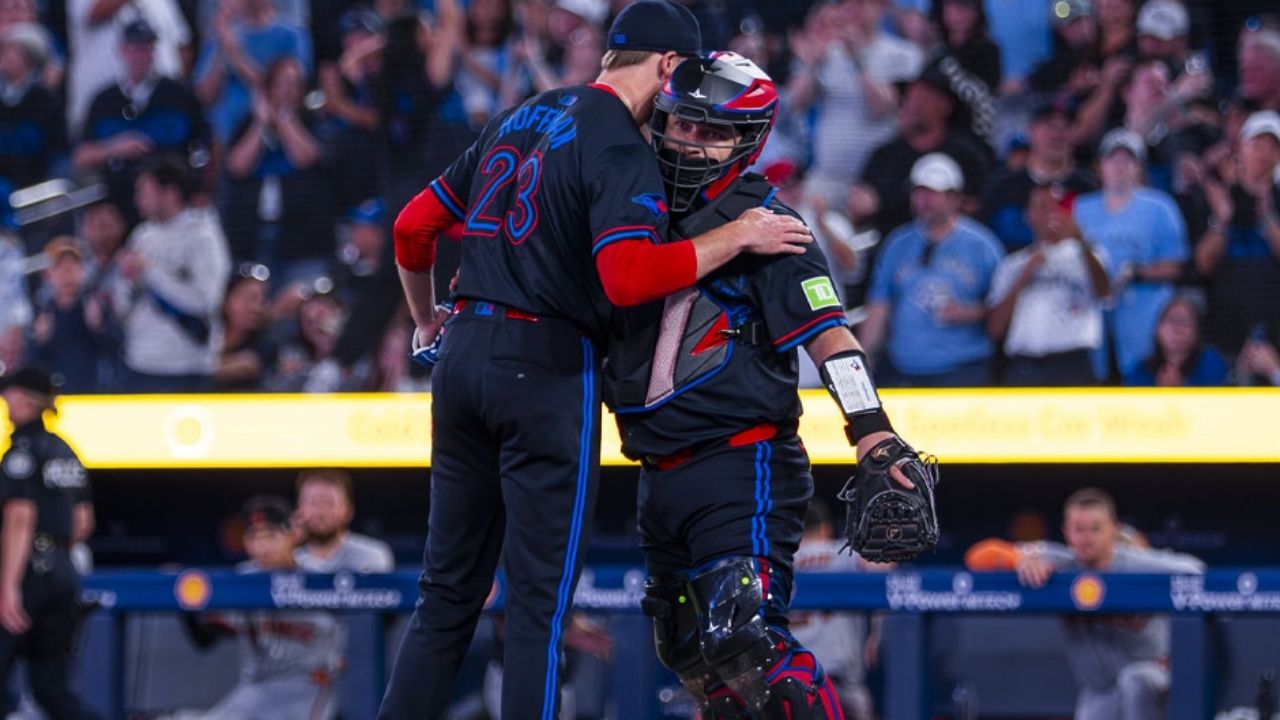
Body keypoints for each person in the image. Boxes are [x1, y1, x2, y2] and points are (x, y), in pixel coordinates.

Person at [379, 2, 813, 716]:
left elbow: (413, 225)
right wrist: (735, 236)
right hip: (544, 366)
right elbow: (629, 277)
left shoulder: (522, 115)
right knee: (538, 610)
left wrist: (428, 320)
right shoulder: (620, 143)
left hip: (461, 361)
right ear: (670, 65)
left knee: (444, 596)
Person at [607, 51, 920, 719]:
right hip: (656, 472)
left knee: (749, 642)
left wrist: (872, 430)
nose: (692, 141)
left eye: (713, 131)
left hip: (739, 457)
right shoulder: (627, 209)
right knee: (695, 658)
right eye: (684, 124)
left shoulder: (773, 227)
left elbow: (830, 334)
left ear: (745, 142)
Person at [968, 488, 1204, 720]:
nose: (1087, 537)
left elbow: (1196, 571)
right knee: (1103, 696)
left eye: (1096, 528)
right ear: (1066, 532)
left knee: (1135, 680)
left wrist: (1175, 654)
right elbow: (978, 556)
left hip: (1151, 679)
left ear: (1113, 528)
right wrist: (1019, 560)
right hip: (1098, 692)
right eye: (1079, 529)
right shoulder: (1060, 562)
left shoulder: (1138, 563)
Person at [181, 496, 340, 720]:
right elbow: (205, 638)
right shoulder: (243, 578)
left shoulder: (321, 578)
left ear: (291, 535)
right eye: (254, 537)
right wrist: (182, 602)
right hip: (255, 688)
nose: (261, 546)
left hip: (308, 686)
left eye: (271, 536)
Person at [0, 366, 98, 720]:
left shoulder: (22, 451)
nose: (4, 400)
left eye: (9, 393)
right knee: (52, 690)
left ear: (26, 398)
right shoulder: (66, 450)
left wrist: (9, 586)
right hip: (64, 572)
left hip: (29, 573)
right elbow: (83, 523)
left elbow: (19, 518)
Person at [858, 152, 1004, 387]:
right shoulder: (898, 243)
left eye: (932, 193)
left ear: (955, 198)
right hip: (904, 368)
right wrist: (864, 360)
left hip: (963, 367)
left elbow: (1002, 308)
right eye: (918, 191)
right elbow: (879, 305)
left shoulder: (982, 245)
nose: (923, 199)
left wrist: (969, 313)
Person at [1074, 128, 1188, 379]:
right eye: (1112, 159)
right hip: (1092, 317)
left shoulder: (1160, 207)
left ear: (1138, 167)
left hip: (1144, 314)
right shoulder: (1080, 209)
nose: (1119, 166)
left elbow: (1176, 267)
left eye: (1128, 160)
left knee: (1141, 381)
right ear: (1099, 166)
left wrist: (1137, 272)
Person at [112, 155, 231, 392]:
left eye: (144, 191)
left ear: (170, 192)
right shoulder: (142, 235)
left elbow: (205, 301)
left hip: (185, 368)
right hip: (138, 361)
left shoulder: (203, 237)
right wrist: (126, 284)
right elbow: (123, 301)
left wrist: (149, 272)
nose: (137, 200)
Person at [73, 19, 212, 221]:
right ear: (122, 51)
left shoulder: (178, 95)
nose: (141, 55)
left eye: (146, 48)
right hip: (118, 204)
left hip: (174, 203)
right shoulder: (104, 101)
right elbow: (81, 156)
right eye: (135, 48)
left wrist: (203, 191)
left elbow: (208, 144)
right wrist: (115, 148)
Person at [986, 184, 1111, 385]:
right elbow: (995, 330)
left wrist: (1081, 240)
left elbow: (1105, 293)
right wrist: (1023, 276)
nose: (1052, 213)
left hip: (1073, 362)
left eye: (1058, 207)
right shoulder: (1012, 264)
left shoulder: (1090, 255)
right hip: (1026, 366)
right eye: (1043, 207)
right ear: (1028, 216)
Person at [789, 501, 881, 720]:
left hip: (794, 676)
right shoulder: (841, 552)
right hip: (840, 677)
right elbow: (885, 573)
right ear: (824, 529)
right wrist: (876, 636)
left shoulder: (780, 559)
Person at [293, 468, 393, 573]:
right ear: (299, 509)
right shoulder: (288, 558)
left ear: (348, 511)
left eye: (328, 502)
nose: (320, 512)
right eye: (313, 502)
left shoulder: (371, 554)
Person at [1122, 294, 1228, 386]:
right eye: (1172, 320)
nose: (1177, 329)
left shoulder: (1212, 362)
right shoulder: (1140, 371)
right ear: (1157, 329)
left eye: (1184, 322)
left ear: (1196, 332)